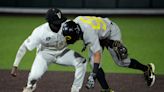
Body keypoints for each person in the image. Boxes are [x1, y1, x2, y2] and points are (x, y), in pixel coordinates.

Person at [62, 16, 156, 92]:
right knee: (93, 63)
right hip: (99, 33)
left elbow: (97, 54)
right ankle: (106, 90)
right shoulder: (74, 22)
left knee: (121, 62)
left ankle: (147, 69)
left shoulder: (88, 34)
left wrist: (93, 74)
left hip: (111, 32)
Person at [10, 8, 87, 92]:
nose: (60, 24)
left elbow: (82, 31)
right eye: (57, 23)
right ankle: (30, 86)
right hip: (45, 55)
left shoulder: (68, 25)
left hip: (62, 53)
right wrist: (15, 65)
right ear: (49, 22)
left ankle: (75, 90)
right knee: (34, 77)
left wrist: (86, 41)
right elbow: (24, 47)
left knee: (81, 62)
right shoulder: (40, 32)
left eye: (61, 21)